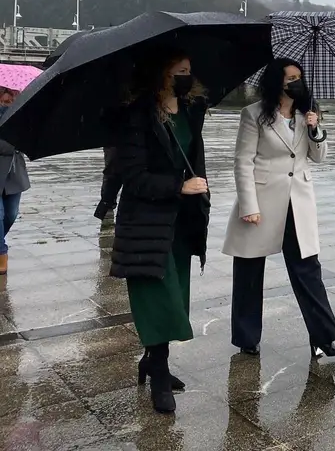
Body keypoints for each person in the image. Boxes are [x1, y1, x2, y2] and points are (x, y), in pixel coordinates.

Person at [110, 49, 210, 414]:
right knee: (157, 296)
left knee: (175, 293)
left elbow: (193, 158)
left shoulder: (191, 111)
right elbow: (134, 177)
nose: (187, 76)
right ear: (162, 73)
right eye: (180, 70)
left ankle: (152, 360)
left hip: (181, 221)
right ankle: (160, 374)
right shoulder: (137, 115)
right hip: (145, 222)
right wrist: (178, 186)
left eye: (189, 70)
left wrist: (198, 191)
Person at [223, 58, 335, 360]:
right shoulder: (253, 115)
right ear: (276, 81)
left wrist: (315, 129)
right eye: (289, 78)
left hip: (298, 203)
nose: (295, 82)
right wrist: (248, 205)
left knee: (308, 270)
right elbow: (243, 161)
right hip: (262, 201)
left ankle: (323, 337)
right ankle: (247, 338)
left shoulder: (307, 113)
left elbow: (319, 157)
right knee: (249, 272)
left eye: (298, 77)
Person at [0, 87, 30, 275]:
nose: (6, 103)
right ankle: (1, 253)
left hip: (13, 173)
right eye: (3, 100)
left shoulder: (21, 115)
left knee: (11, 214)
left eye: (10, 100)